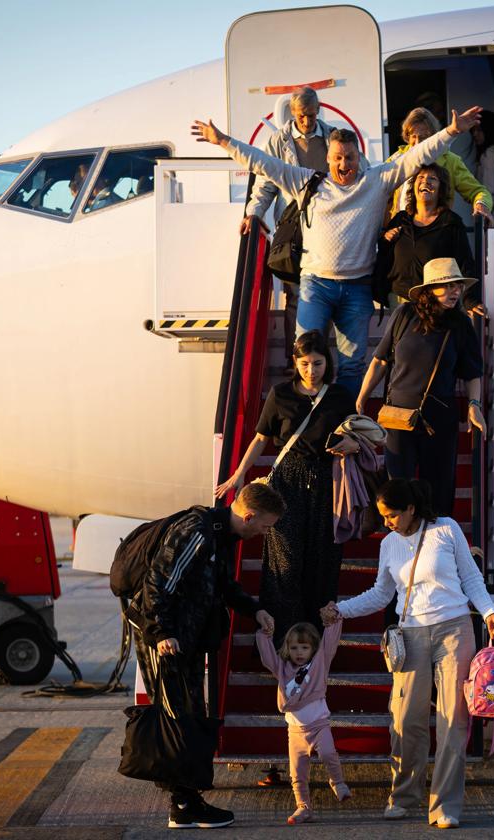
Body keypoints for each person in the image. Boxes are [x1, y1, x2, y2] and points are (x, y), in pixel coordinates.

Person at [191, 105, 484, 398]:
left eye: (350, 158)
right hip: (316, 285)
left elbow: (418, 156)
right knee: (305, 356)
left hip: (356, 288)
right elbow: (265, 163)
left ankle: (345, 425)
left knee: (352, 365)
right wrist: (223, 141)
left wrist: (453, 131)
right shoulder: (308, 183)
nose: (344, 165)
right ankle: (308, 419)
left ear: (360, 158)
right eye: (338, 158)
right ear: (327, 159)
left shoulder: (376, 181)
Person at [320, 478, 494, 829]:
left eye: (392, 515)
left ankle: (445, 806)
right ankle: (404, 796)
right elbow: (380, 594)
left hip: (455, 629)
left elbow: (470, 577)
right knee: (406, 720)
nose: (387, 522)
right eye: (382, 516)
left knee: (454, 722)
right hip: (411, 635)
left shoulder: (446, 530)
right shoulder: (389, 544)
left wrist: (489, 613)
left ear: (410, 509)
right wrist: (342, 609)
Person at [124, 483, 284, 830]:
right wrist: (162, 633)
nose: (265, 532)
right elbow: (157, 584)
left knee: (191, 713)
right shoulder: (196, 533)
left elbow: (223, 585)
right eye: (266, 525)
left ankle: (187, 798)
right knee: (176, 716)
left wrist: (253, 610)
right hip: (166, 639)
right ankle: (181, 804)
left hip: (187, 639)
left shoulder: (220, 536)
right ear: (249, 515)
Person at [216, 330, 358, 643]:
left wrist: (351, 443)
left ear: (327, 362)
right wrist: (240, 473)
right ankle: (282, 640)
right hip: (287, 482)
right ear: (295, 362)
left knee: (323, 560)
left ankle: (316, 642)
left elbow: (360, 434)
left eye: (318, 363)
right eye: (305, 363)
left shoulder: (340, 397)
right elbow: (261, 438)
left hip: (327, 482)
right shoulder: (280, 395)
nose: (312, 370)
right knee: (286, 561)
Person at [356, 258, 486, 518]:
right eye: (447, 286)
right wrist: (362, 398)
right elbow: (381, 360)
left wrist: (474, 405)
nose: (456, 292)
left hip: (439, 416)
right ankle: (402, 546)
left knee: (437, 488)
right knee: (397, 487)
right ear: (429, 290)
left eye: (458, 286)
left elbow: (472, 373)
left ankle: (434, 547)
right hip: (398, 415)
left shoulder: (460, 323)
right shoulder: (404, 315)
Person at [242, 87, 333, 352]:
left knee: (323, 291)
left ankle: (320, 354)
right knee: (295, 294)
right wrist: (253, 214)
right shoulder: (277, 142)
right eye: (302, 116)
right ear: (292, 114)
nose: (307, 121)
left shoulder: (331, 137)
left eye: (312, 115)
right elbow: (265, 184)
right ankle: (295, 356)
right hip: (292, 226)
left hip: (325, 224)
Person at [254, 620, 350, 824]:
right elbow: (268, 656)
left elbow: (330, 641)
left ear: (313, 648)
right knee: (296, 772)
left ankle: (338, 782)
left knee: (328, 754)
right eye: (294, 647)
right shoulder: (282, 668)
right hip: (296, 731)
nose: (299, 652)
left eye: (305, 648)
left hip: (319, 725)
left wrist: (334, 620)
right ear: (287, 648)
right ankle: (303, 807)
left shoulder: (320, 663)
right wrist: (264, 634)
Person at [378, 162, 477, 305]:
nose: (426, 181)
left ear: (441, 189)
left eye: (433, 178)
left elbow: (465, 263)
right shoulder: (401, 219)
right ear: (413, 187)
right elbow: (382, 254)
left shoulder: (450, 223)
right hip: (399, 299)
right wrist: (386, 239)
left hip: (434, 300)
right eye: (421, 177)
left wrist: (471, 301)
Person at [386, 108, 494, 225]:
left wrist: (481, 205)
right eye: (413, 136)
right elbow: (378, 194)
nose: (417, 143)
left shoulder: (450, 161)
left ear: (434, 137)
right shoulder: (397, 159)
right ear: (407, 136)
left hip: (435, 235)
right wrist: (386, 231)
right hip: (401, 235)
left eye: (423, 138)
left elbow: (478, 191)